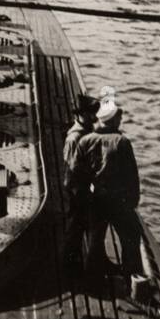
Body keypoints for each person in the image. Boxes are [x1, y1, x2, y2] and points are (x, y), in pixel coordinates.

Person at [72, 99, 143, 280]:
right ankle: (131, 277)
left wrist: (82, 197)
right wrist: (133, 201)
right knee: (131, 236)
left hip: (95, 199)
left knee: (95, 241)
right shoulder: (122, 142)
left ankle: (91, 281)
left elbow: (75, 175)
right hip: (118, 200)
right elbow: (131, 176)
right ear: (113, 121)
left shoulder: (85, 141)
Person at [62, 93, 100, 275]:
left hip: (84, 185)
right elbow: (72, 166)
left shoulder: (87, 132)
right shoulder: (74, 138)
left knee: (83, 223)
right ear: (80, 115)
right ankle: (69, 263)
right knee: (75, 225)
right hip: (77, 186)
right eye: (89, 114)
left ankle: (76, 258)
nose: (93, 117)